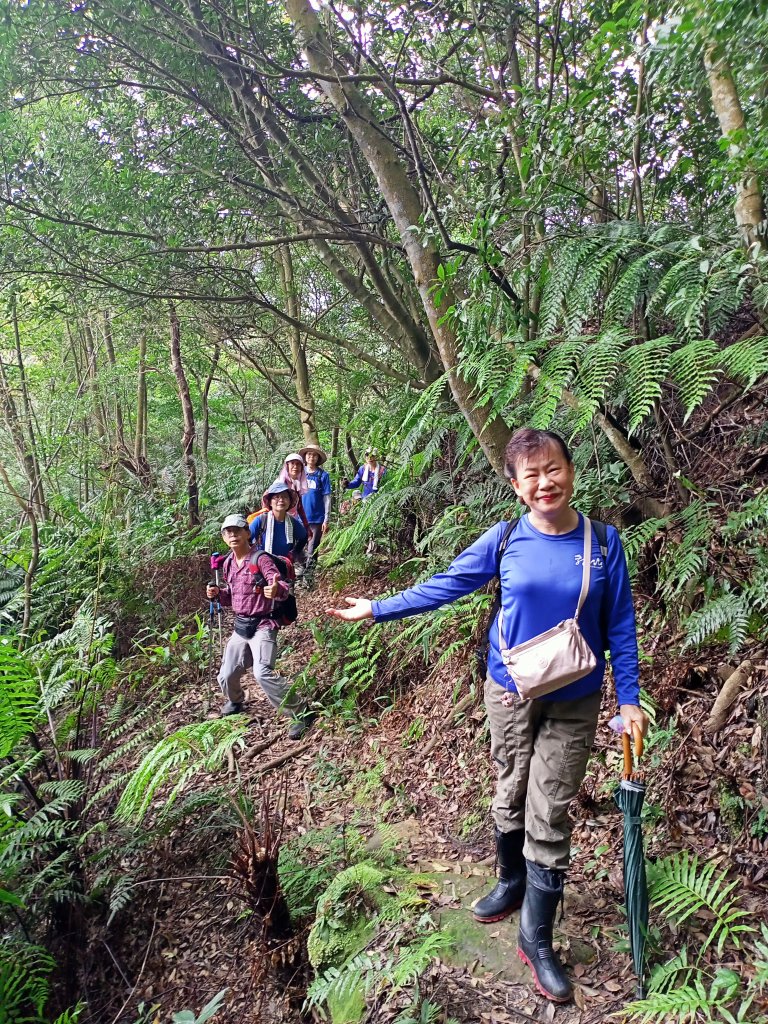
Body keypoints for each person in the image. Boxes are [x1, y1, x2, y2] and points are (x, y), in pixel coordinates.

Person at [326, 428, 648, 1003]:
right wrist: (377, 608)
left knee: (549, 808)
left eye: (553, 469)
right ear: (516, 486)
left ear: (571, 470)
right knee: (510, 789)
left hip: (577, 695)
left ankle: (536, 938)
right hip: (509, 691)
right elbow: (446, 585)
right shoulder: (504, 540)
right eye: (531, 475)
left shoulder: (603, 543)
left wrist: (629, 701)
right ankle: (510, 880)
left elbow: (620, 625)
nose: (544, 482)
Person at [206, 514, 313, 739]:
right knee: (225, 675)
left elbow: (281, 584)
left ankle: (301, 712)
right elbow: (232, 596)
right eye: (228, 532)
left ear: (247, 533)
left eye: (237, 531)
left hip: (264, 622)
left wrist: (276, 590)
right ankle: (236, 700)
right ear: (224, 537)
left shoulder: (260, 559)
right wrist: (218, 595)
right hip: (241, 624)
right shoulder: (227, 563)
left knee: (262, 672)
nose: (233, 535)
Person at [249, 481, 308, 559]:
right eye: (277, 497)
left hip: (283, 565)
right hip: (262, 565)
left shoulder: (292, 522)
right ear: (270, 502)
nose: (281, 500)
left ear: (289, 502)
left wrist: (293, 554)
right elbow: (246, 539)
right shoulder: (261, 520)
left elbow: (304, 537)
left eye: (285, 497)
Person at [299, 443, 332, 562]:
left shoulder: (323, 475)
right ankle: (299, 574)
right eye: (309, 454)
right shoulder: (300, 473)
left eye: (314, 455)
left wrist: (326, 519)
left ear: (318, 458)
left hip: (316, 519)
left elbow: (327, 498)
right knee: (299, 547)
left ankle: (309, 577)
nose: (311, 457)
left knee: (312, 549)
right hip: (300, 518)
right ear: (305, 456)